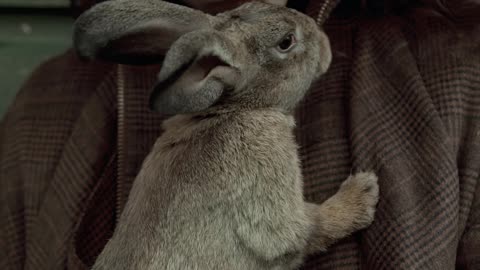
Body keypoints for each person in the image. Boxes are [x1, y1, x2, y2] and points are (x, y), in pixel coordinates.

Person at [1, 0, 479, 269]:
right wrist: (338, 213)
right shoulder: (47, 105)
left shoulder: (455, 76)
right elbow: (281, 236)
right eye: (291, 42)